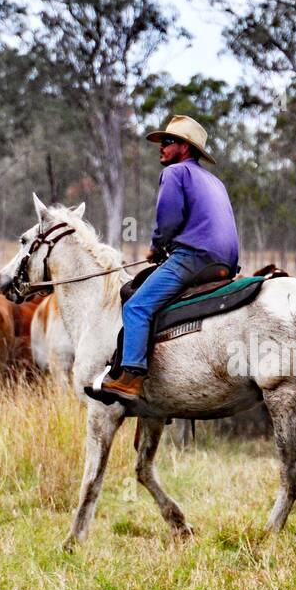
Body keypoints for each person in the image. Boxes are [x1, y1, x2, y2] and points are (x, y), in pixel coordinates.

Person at [94, 115, 240, 403]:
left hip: (194, 258)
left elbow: (169, 218)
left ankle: (132, 377)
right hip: (225, 264)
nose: (161, 147)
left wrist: (156, 246)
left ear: (185, 148)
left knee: (137, 306)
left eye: (168, 142)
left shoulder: (175, 173)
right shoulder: (214, 181)